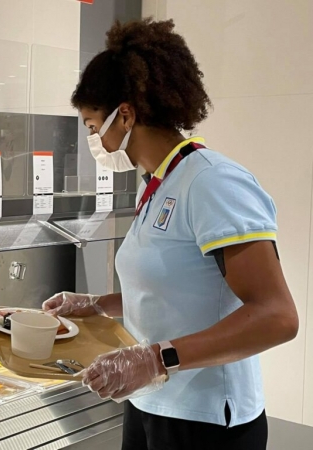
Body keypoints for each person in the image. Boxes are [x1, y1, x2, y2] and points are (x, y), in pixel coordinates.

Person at [43, 19, 298, 450]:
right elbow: (176, 288)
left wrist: (156, 359)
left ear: (125, 115)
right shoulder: (161, 183)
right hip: (149, 402)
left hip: (206, 420)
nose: (94, 140)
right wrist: (97, 305)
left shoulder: (212, 182)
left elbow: (277, 317)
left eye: (92, 126)